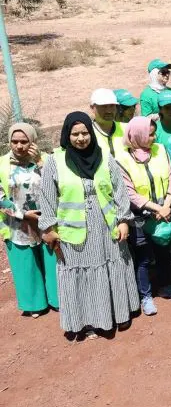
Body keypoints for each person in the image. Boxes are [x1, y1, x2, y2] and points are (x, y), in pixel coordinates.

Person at [38, 112, 139, 339]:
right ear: (66, 135)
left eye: (85, 133)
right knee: (81, 274)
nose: (81, 138)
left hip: (107, 227)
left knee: (111, 266)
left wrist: (123, 220)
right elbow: (46, 197)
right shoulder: (55, 161)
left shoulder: (104, 157)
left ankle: (117, 314)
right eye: (75, 134)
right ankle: (86, 320)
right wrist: (49, 228)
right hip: (73, 232)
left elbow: (119, 190)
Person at [116, 116, 171, 316]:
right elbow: (129, 192)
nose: (154, 137)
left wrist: (166, 205)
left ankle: (164, 286)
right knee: (142, 258)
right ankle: (146, 295)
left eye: (153, 133)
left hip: (164, 212)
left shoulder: (161, 150)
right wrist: (156, 208)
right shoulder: (122, 159)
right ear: (138, 135)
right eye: (150, 134)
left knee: (164, 252)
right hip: (140, 218)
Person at [0, 123, 58, 317]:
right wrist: (22, 214)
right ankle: (34, 304)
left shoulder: (47, 159)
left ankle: (57, 299)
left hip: (46, 220)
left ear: (33, 141)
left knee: (52, 260)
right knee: (26, 263)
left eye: (24, 141)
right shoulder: (1, 163)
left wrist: (40, 161)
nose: (19, 146)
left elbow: (59, 183)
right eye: (14, 141)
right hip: (17, 224)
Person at [90, 88, 125, 158]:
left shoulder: (127, 129)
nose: (108, 111)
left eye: (112, 106)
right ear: (92, 108)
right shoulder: (87, 133)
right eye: (103, 106)